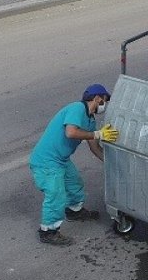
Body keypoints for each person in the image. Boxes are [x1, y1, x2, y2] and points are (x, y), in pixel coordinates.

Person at [28, 84, 119, 246]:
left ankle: (74, 212)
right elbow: (70, 132)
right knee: (56, 194)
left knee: (75, 184)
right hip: (46, 161)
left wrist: (110, 163)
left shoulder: (90, 121)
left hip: (61, 160)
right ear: (97, 98)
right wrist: (98, 134)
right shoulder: (77, 108)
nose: (105, 105)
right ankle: (48, 231)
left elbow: (94, 147)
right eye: (105, 100)